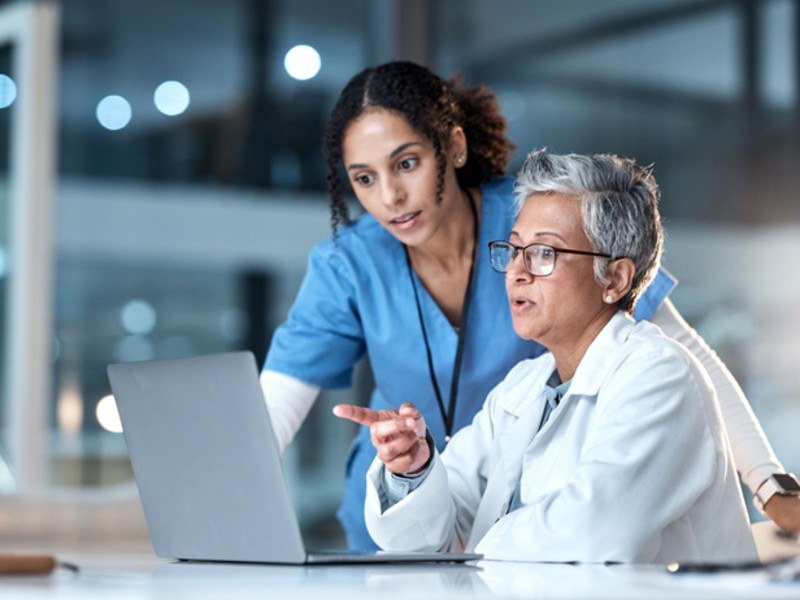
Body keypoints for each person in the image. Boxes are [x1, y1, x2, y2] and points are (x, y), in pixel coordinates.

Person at [261, 61, 799, 551]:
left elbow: (687, 362)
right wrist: (412, 471)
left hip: (522, 542)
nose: (389, 197)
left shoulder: (542, 219)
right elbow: (269, 416)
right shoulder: (355, 266)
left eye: (406, 163)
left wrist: (769, 483)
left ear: (452, 147)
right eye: (364, 179)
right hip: (438, 522)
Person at [333, 150, 759, 563]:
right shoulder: (525, 385)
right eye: (515, 249)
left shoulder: (660, 375)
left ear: (614, 277)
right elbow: (432, 533)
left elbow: (593, 533)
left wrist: (473, 547)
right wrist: (414, 471)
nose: (517, 271)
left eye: (544, 253)